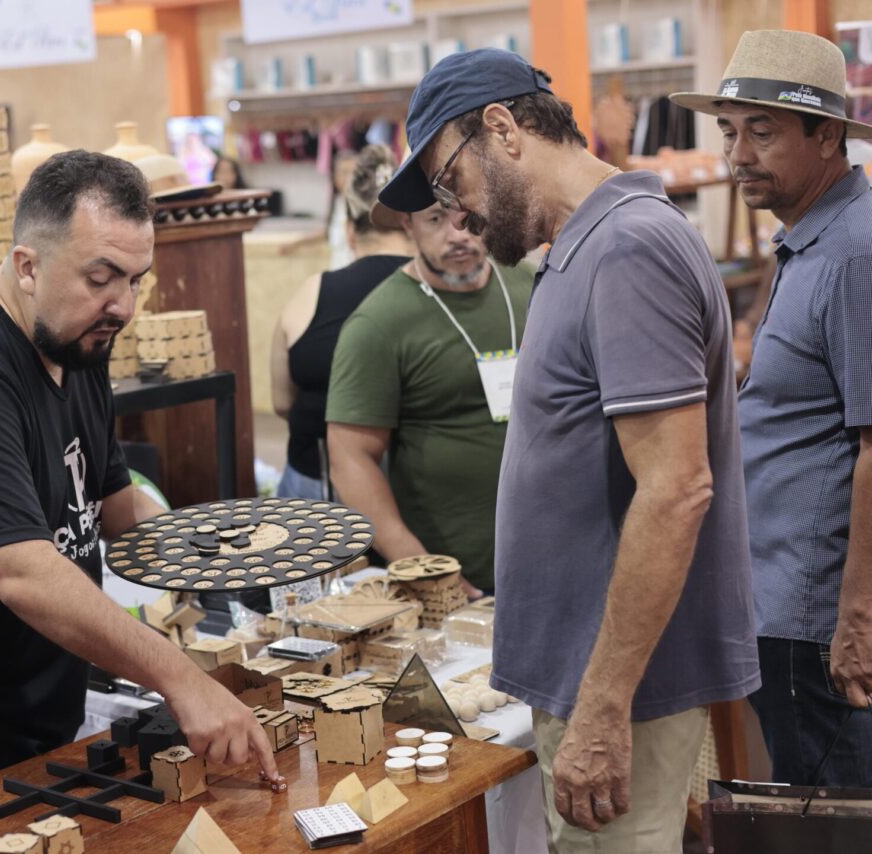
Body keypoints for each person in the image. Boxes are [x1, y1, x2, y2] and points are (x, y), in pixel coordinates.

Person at [377, 49, 758, 851]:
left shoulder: (629, 249)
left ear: (503, 129)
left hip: (617, 690)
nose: (458, 214)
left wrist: (603, 706)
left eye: (452, 181)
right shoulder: (584, 249)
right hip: (589, 678)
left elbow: (676, 488)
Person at [0, 151, 284, 792]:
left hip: (38, 710)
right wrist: (182, 679)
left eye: (136, 281)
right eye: (101, 278)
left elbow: (116, 506)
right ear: (27, 266)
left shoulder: (77, 344)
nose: (123, 306)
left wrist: (219, 556)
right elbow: (25, 576)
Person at [670, 29, 872, 786]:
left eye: (763, 131)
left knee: (837, 821)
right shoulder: (811, 241)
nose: (739, 154)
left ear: (828, 137)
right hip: (788, 603)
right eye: (728, 131)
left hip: (818, 620)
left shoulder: (853, 254)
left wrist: (857, 619)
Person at [325, 197, 533, 599]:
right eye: (436, 219)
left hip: (554, 553)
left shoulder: (530, 285)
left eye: (468, 217)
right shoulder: (378, 323)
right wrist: (422, 569)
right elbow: (350, 458)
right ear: (408, 224)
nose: (457, 234)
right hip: (455, 570)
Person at [271, 144, 410, 502]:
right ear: (411, 227)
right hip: (410, 488)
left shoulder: (310, 293)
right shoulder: (436, 292)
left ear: (349, 232)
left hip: (315, 487)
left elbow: (282, 401)